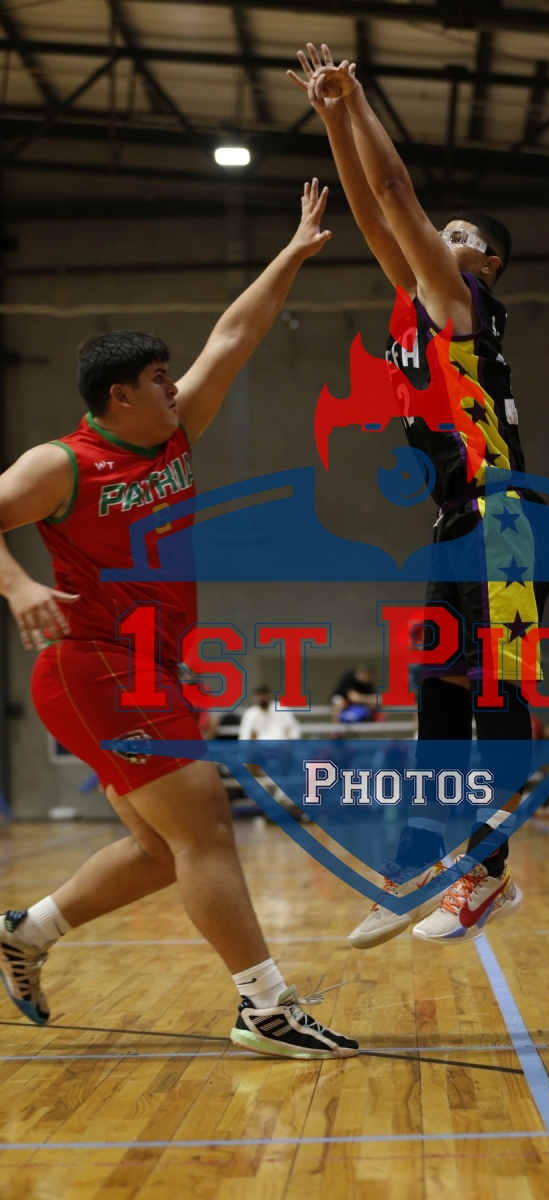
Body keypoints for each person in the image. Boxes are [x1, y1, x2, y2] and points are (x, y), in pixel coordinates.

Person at [0, 181, 358, 1060]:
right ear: (118, 396)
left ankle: (24, 933)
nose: (177, 385)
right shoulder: (60, 465)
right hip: (91, 663)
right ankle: (264, 1007)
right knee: (203, 822)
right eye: (160, 379)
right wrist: (16, 586)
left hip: (144, 668)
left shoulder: (170, 434)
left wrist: (294, 251)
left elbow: (235, 334)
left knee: (163, 852)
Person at [289, 44, 545, 947]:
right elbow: (374, 211)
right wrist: (331, 120)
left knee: (495, 694)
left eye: (456, 231)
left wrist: (356, 100)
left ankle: (489, 873)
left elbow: (396, 193)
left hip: (504, 518)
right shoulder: (417, 296)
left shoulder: (459, 297)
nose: (439, 234)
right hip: (455, 522)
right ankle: (423, 855)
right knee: (438, 691)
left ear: (485, 262)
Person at [239, 684, 304, 820]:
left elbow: (294, 729)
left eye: (264, 694)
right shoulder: (250, 714)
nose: (262, 698)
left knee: (289, 750)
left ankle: (281, 793)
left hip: (281, 748)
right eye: (260, 695)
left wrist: (291, 740)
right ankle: (260, 791)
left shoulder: (281, 709)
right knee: (249, 754)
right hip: (260, 750)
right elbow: (244, 738)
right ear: (255, 698)